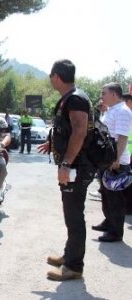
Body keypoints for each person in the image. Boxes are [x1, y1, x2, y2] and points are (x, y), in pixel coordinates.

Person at [38, 59, 96, 281]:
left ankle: (74, 267)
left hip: (77, 167)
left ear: (56, 77)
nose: (50, 80)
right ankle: (69, 255)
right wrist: (53, 144)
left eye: (50, 76)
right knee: (71, 214)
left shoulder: (76, 99)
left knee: (74, 216)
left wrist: (66, 163)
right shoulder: (71, 98)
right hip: (75, 165)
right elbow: (68, 129)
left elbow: (80, 131)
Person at [92, 83, 132, 242]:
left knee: (115, 199)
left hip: (116, 161)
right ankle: (108, 222)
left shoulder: (123, 111)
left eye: (104, 93)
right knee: (106, 194)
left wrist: (116, 159)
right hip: (105, 159)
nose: (102, 96)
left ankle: (115, 232)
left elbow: (122, 137)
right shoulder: (110, 110)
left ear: (114, 94)